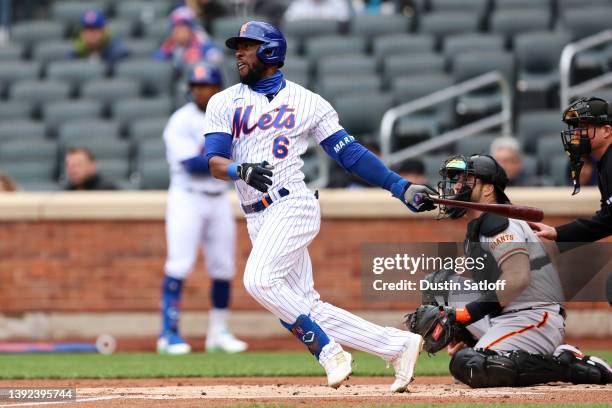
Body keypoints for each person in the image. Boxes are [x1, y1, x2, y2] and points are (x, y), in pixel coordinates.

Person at [203, 21, 436, 391]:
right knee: (303, 305)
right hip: (256, 216)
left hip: (292, 204)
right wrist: (240, 169)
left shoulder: (308, 102)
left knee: (259, 280)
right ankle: (397, 345)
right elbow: (214, 162)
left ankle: (329, 352)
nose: (239, 53)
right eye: (238, 46)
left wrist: (400, 186)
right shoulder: (223, 101)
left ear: (270, 51)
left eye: (248, 46)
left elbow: (350, 154)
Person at [415, 154, 611, 387]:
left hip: (534, 316)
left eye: (465, 180)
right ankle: (482, 345)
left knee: (469, 364)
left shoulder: (498, 222)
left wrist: (463, 316)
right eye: (456, 180)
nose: (457, 186)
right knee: (437, 285)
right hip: (504, 315)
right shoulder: (482, 225)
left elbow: (517, 280)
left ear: (488, 189)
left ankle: (566, 363)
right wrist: (464, 332)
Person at [157, 62, 247, 355]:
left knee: (223, 267)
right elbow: (194, 164)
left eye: (207, 86)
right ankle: (168, 334)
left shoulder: (229, 118)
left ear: (217, 88)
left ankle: (218, 333)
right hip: (187, 196)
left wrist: (228, 163)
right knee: (179, 264)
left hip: (218, 196)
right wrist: (229, 163)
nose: (202, 92)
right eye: (196, 87)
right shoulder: (180, 121)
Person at [530, 97, 612, 242]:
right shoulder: (604, 162)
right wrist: (558, 232)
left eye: (583, 127)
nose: (576, 134)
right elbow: (608, 219)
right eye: (575, 128)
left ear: (606, 131)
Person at [154, 6, 223, 73]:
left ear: (192, 30)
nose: (180, 32)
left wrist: (199, 60)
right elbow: (157, 63)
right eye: (177, 28)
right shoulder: (169, 46)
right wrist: (165, 50)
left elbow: (217, 59)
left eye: (184, 27)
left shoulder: (202, 43)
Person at [67, 10, 130, 74]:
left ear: (103, 31)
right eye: (86, 29)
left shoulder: (116, 50)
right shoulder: (77, 51)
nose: (90, 34)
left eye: (94, 29)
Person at [283, 0, 350, 23]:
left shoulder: (339, 3)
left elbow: (344, 26)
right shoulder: (298, 5)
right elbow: (289, 26)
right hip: (304, 44)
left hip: (331, 41)